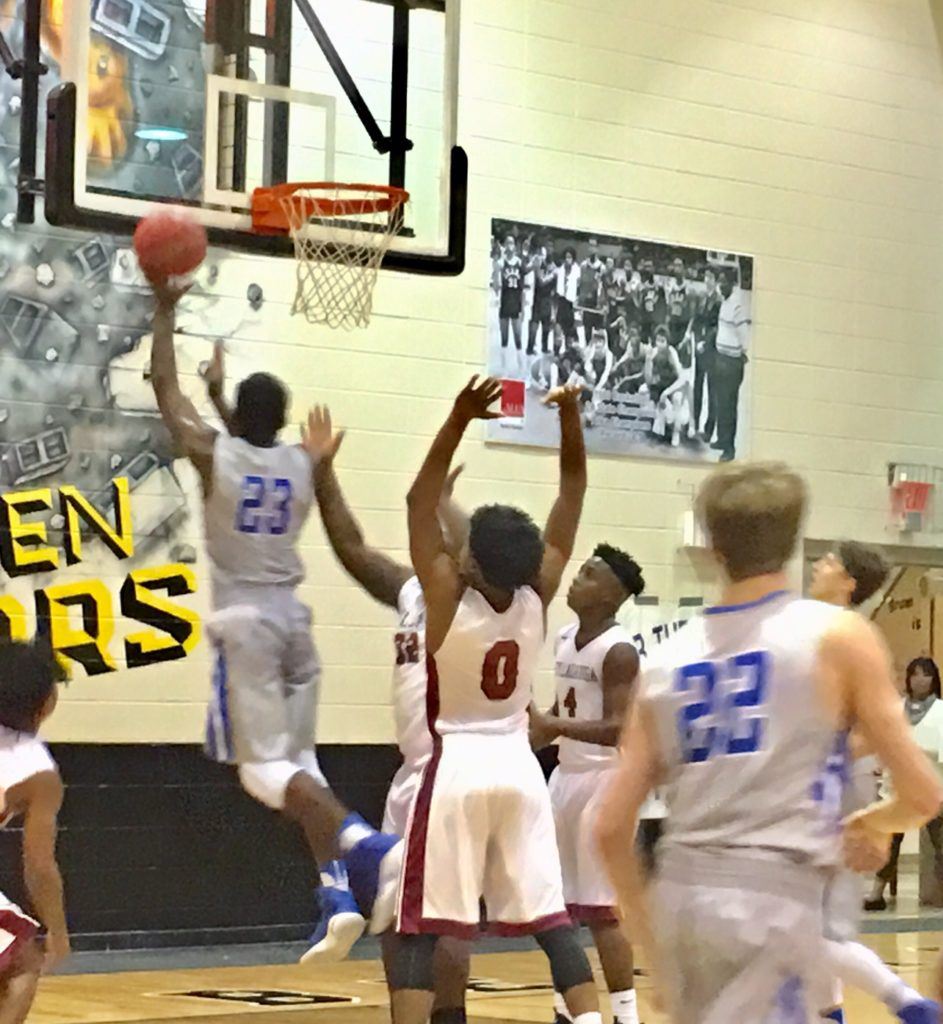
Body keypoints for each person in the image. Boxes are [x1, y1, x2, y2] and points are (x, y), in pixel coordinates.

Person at [596, 462, 943, 1024]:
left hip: (680, 894)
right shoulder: (836, 637)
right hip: (769, 899)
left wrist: (652, 946)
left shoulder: (663, 659)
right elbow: (923, 794)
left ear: (710, 547)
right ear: (794, 541)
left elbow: (610, 828)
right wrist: (873, 822)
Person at [149, 281, 401, 963]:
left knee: (262, 775)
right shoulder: (304, 462)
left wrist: (166, 312)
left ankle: (364, 843)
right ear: (284, 421)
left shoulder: (214, 454)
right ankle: (337, 896)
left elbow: (165, 396)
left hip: (247, 627)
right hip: (295, 624)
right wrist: (225, 398)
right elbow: (251, 444)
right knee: (301, 768)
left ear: (240, 419)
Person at [391, 377, 599, 1024]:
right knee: (552, 920)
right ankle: (592, 1019)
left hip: (454, 768)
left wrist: (456, 416)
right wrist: (570, 421)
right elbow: (571, 492)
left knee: (425, 927)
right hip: (520, 769)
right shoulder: (538, 592)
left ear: (469, 560)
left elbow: (417, 499)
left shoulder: (447, 595)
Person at [311, 432, 471, 1024]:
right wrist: (323, 472)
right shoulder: (413, 592)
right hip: (414, 773)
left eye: (442, 535)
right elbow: (352, 548)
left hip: (449, 770)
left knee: (433, 913)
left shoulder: (473, 604)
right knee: (400, 906)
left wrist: (442, 506)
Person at [809, 543, 938, 1024]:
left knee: (803, 929)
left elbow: (876, 730)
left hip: (835, 785)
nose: (818, 565)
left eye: (829, 560)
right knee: (813, 927)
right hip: (818, 781)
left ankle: (912, 1005)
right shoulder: (813, 629)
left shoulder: (851, 638)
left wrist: (817, 754)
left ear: (848, 582)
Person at [530, 545, 646, 1024]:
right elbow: (564, 710)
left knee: (602, 910)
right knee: (558, 907)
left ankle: (625, 1014)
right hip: (567, 775)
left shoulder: (618, 650)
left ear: (613, 594)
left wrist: (553, 725)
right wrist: (543, 729)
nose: (576, 581)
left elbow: (620, 728)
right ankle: (566, 1008)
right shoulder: (563, 637)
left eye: (589, 575)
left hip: (605, 779)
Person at [0, 640, 70, 1024]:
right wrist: (57, 931)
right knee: (25, 958)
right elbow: (39, 866)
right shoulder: (35, 769)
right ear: (46, 702)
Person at [866, 656, 943, 912]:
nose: (920, 680)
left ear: (934, 680)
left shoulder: (941, 712)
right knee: (888, 839)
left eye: (926, 675)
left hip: (933, 788)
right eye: (915, 674)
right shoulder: (895, 710)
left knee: (940, 841)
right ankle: (876, 892)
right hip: (896, 788)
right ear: (908, 678)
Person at [711, 268, 750, 462]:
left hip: (732, 361)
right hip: (721, 358)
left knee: (729, 406)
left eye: (724, 282)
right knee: (721, 403)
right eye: (719, 281)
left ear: (732, 284)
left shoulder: (737, 307)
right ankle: (721, 439)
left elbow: (744, 336)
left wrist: (742, 353)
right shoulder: (724, 303)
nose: (720, 285)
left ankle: (730, 448)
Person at [693, 267, 720, 443]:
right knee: (697, 386)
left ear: (716, 281)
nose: (707, 279)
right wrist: (695, 339)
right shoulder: (702, 297)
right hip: (699, 347)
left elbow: (717, 326)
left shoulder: (718, 301)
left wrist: (706, 342)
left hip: (712, 349)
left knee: (712, 391)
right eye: (706, 276)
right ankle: (694, 424)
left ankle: (709, 431)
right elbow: (697, 320)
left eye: (711, 277)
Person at [498, 235, 525, 376]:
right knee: (504, 338)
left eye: (512, 243)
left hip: (515, 303)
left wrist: (523, 308)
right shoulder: (501, 263)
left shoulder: (519, 263)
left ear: (515, 245)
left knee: (518, 338)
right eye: (507, 243)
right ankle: (504, 369)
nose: (510, 246)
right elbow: (496, 284)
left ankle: (521, 369)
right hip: (504, 302)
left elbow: (522, 288)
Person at [529, 242, 558, 356]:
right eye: (547, 249)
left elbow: (542, 281)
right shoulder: (539, 263)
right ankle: (530, 347)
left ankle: (544, 347)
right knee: (534, 325)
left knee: (546, 326)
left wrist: (536, 269)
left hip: (547, 300)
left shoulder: (554, 269)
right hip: (537, 299)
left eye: (550, 249)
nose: (548, 252)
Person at [556, 248, 581, 348]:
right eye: (566, 257)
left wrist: (577, 302)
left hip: (571, 303)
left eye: (570, 257)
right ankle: (556, 352)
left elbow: (579, 287)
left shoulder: (577, 271)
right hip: (561, 301)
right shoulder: (560, 270)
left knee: (569, 331)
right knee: (557, 330)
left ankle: (568, 351)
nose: (567, 259)